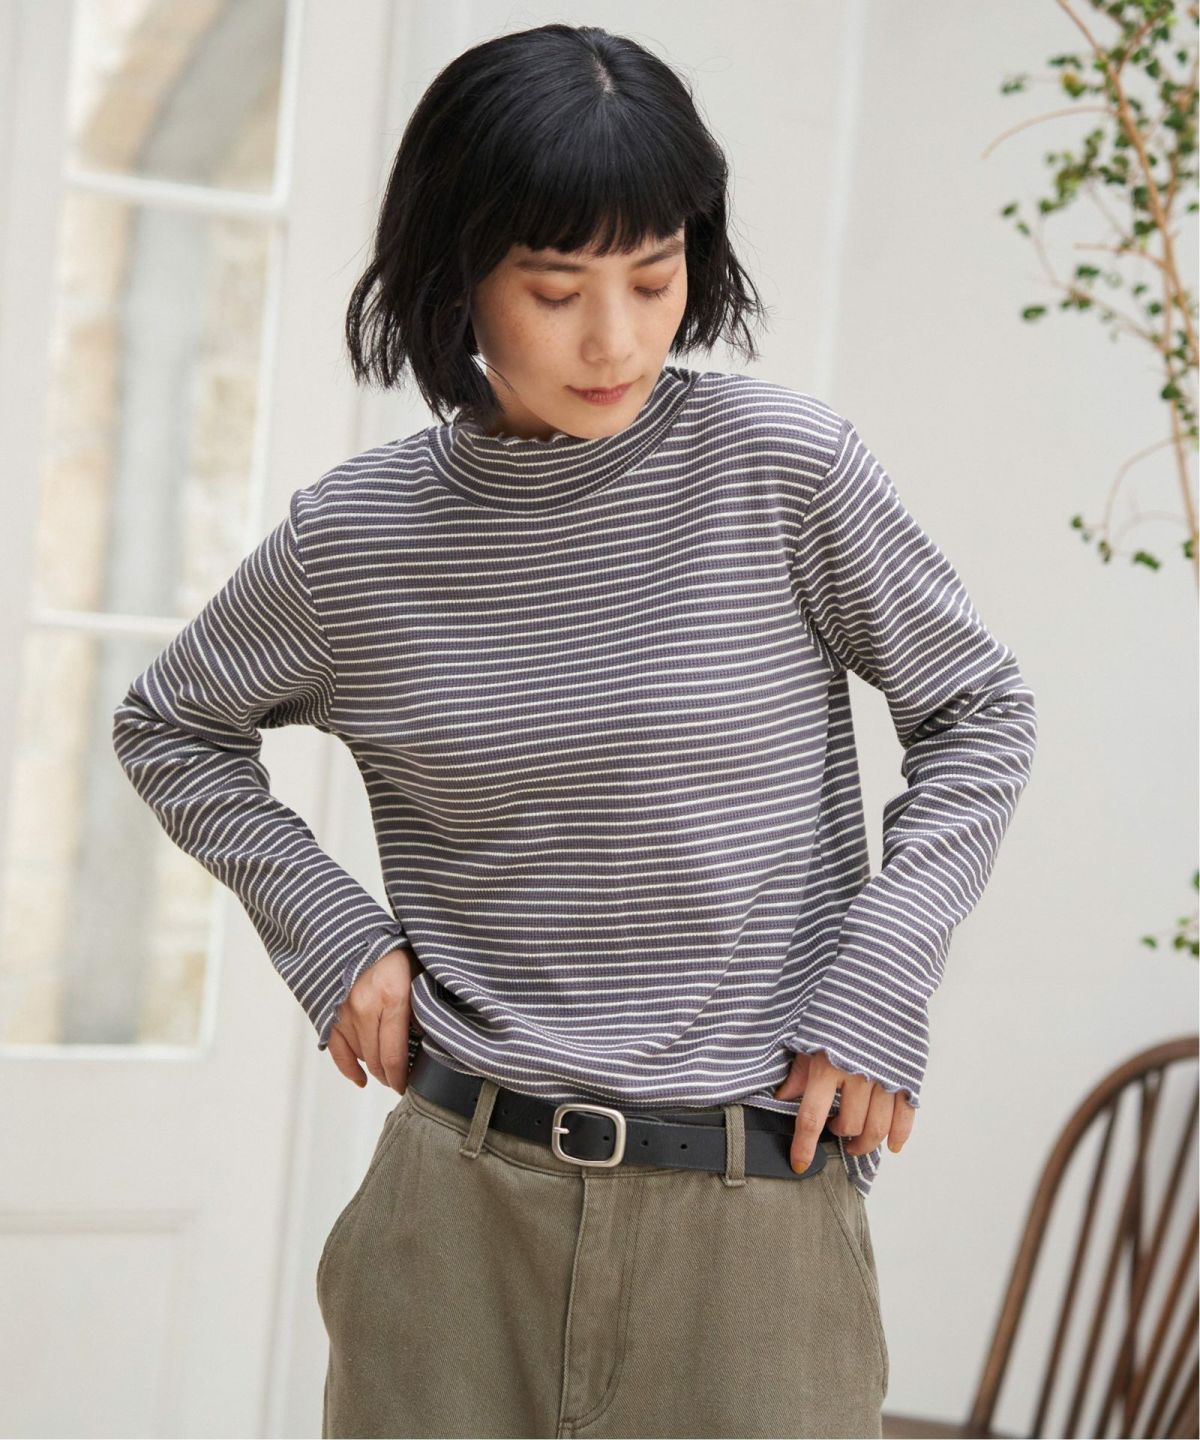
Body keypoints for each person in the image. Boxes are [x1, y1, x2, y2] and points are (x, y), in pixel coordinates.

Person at [111, 22, 1038, 1440]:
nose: (617, 339)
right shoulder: (357, 542)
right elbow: (171, 726)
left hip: (752, 1235)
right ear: (454, 279)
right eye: (556, 291)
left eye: (654, 278)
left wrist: (882, 973)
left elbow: (978, 710)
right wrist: (332, 930)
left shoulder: (783, 473)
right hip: (456, 1223)